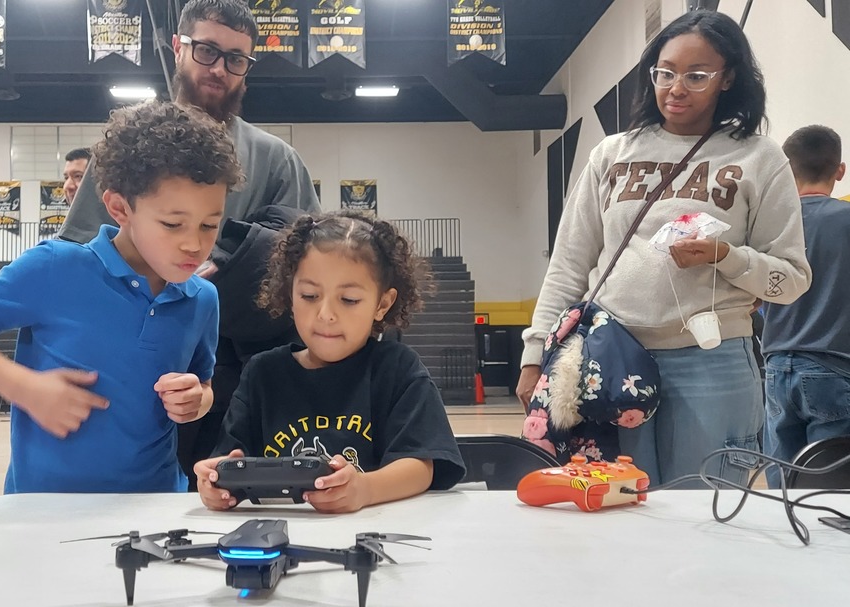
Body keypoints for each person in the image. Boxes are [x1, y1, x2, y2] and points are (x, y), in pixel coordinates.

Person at [516, 10, 811, 486]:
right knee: (617, 512)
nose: (676, 88)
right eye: (665, 72)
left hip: (712, 363)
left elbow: (791, 281)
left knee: (707, 512)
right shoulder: (611, 154)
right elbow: (569, 265)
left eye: (697, 76)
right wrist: (534, 357)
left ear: (728, 78)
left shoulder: (758, 157)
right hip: (606, 360)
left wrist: (726, 256)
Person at [58, 0, 320, 490]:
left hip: (238, 377)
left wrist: (233, 254)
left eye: (236, 58)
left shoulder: (277, 159)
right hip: (133, 362)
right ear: (178, 47)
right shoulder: (124, 150)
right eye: (207, 51)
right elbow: (80, 259)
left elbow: (303, 261)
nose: (220, 68)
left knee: (228, 500)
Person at [0, 101, 243, 493]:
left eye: (209, 225)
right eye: (172, 224)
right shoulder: (55, 268)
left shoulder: (202, 300)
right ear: (119, 208)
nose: (194, 244)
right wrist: (24, 388)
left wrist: (195, 400)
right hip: (44, 508)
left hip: (154, 504)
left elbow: (205, 384)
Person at [195, 212, 466, 514]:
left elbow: (420, 466)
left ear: (382, 304)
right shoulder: (262, 374)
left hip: (372, 536)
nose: (325, 314)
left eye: (348, 299)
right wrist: (216, 479)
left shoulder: (398, 370)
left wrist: (364, 489)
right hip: (286, 534)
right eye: (309, 295)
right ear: (290, 294)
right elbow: (231, 460)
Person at [761, 125, 850, 488]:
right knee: (832, 493)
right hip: (834, 367)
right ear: (839, 171)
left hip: (775, 365)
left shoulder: (770, 227)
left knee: (781, 488)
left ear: (785, 168)